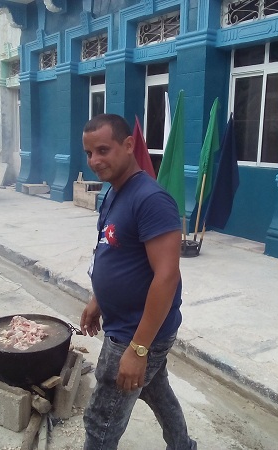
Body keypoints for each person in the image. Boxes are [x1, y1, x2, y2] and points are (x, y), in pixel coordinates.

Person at [80, 114, 197, 450]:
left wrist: (139, 348)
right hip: (125, 324)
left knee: (101, 420)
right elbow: (114, 251)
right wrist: (97, 299)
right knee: (156, 392)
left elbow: (167, 276)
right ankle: (183, 446)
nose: (95, 161)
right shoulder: (114, 193)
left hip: (137, 332)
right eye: (89, 153)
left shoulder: (151, 200)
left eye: (103, 150)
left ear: (129, 145)